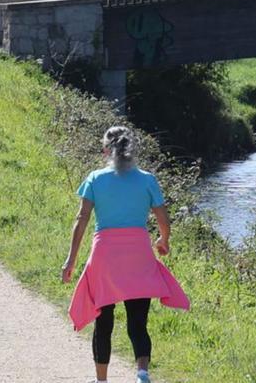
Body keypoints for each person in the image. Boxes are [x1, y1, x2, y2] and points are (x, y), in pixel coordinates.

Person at [62, 126, 190, 383]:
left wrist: (71, 260)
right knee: (138, 322)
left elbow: (82, 219)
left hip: (105, 257)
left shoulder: (95, 179)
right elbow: (164, 219)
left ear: (106, 150)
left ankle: (101, 380)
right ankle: (142, 373)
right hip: (138, 254)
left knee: (104, 322)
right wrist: (163, 241)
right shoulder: (147, 179)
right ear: (133, 149)